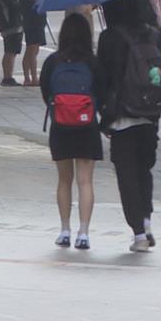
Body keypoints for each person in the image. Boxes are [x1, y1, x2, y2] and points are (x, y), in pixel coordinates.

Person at [98, 0, 161, 251]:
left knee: (126, 176)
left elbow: (102, 79)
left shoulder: (110, 37)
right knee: (144, 171)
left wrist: (103, 115)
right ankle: (147, 221)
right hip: (150, 114)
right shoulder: (153, 34)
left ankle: (138, 233)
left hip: (122, 117)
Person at [40, 14, 106, 251]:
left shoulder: (53, 62)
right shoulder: (92, 62)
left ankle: (64, 229)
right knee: (85, 181)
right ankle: (84, 233)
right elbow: (103, 92)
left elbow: (45, 91)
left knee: (64, 180)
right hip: (87, 126)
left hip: (60, 126)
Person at [18, 0, 45, 86]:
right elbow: (40, 0)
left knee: (32, 49)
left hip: (32, 22)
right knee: (32, 50)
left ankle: (28, 77)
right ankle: (33, 78)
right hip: (33, 23)